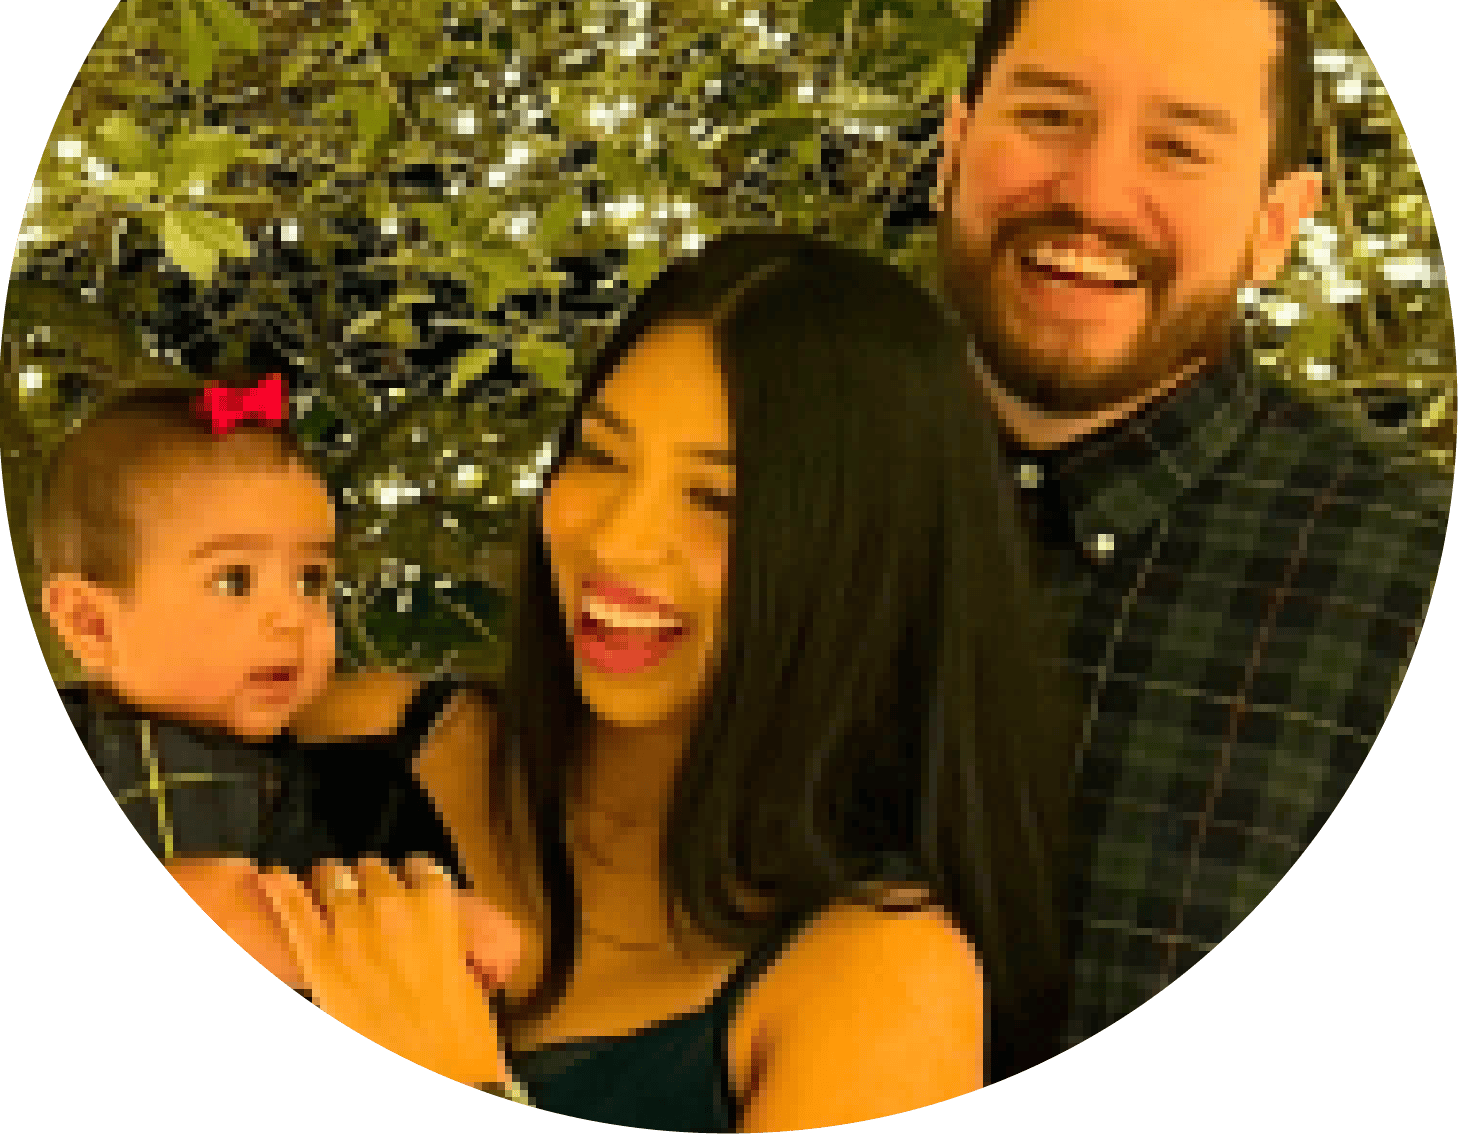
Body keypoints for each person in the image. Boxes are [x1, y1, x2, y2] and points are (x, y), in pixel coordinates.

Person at [260, 231, 1075, 1128]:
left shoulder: (879, 977)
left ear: (862, 564)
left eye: (717, 499)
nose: (615, 540)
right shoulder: (355, 738)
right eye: (600, 457)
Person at [934, 0, 1452, 1062]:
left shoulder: (1412, 590)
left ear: (1276, 226)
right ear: (953, 146)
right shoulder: (763, 485)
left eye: (1178, 146)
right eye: (1049, 116)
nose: (1095, 194)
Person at [38, 378, 518, 993]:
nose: (292, 616)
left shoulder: (361, 794)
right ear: (91, 623)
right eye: (234, 581)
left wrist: (446, 929)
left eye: (312, 580)